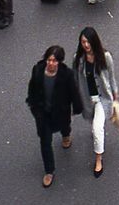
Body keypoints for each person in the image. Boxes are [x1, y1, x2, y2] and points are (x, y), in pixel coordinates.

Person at [26, 44, 83, 188]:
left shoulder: (66, 75)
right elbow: (32, 89)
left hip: (61, 111)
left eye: (55, 61)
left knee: (64, 126)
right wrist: (33, 106)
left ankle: (66, 135)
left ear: (60, 62)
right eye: (49, 60)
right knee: (45, 142)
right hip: (43, 113)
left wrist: (76, 108)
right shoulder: (38, 71)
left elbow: (73, 92)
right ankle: (49, 170)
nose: (51, 63)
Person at [73, 27, 118, 177]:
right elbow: (75, 80)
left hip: (102, 98)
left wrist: (115, 98)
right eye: (83, 42)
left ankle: (98, 159)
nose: (86, 45)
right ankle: (96, 133)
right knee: (92, 121)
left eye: (88, 41)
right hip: (87, 98)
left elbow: (111, 78)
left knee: (97, 129)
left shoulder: (105, 57)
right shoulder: (78, 60)